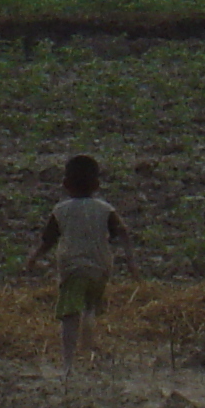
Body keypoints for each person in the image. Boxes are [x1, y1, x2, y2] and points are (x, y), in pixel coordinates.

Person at [23, 154, 132, 375]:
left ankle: (68, 364)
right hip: (101, 267)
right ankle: (89, 341)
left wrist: (33, 259)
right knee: (90, 306)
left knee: (70, 314)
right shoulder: (105, 209)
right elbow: (123, 231)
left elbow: (48, 241)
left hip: (73, 268)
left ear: (65, 184)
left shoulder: (61, 210)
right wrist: (131, 261)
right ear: (97, 185)